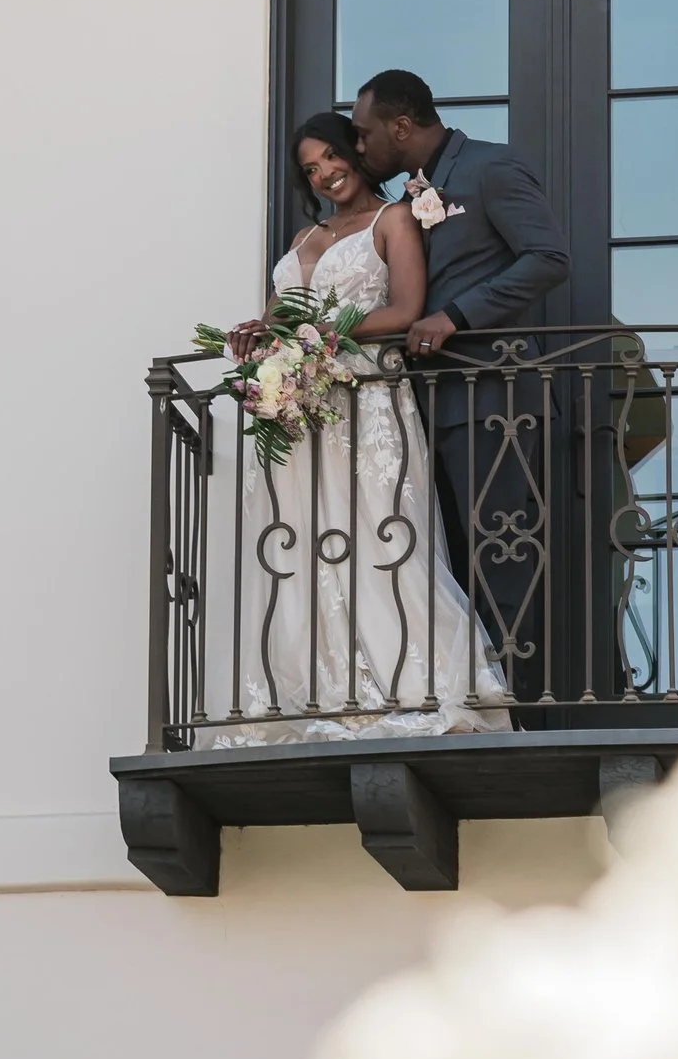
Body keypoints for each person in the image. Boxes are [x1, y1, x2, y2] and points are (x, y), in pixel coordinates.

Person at [198, 111, 506, 744]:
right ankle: (318, 696)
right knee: (301, 543)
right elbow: (284, 315)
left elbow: (405, 310)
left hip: (365, 403)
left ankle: (410, 689)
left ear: (354, 153)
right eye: (310, 169)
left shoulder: (393, 220)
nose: (324, 174)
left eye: (331, 158)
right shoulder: (304, 236)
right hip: (300, 408)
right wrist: (261, 334)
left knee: (382, 536)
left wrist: (324, 333)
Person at [348, 70, 592, 711]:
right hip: (416, 410)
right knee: (439, 564)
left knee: (500, 556)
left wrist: (455, 316)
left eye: (365, 134)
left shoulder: (491, 168)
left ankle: (516, 712)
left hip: (493, 400)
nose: (359, 147)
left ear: (402, 126)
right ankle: (460, 699)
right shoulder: (405, 198)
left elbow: (548, 258)